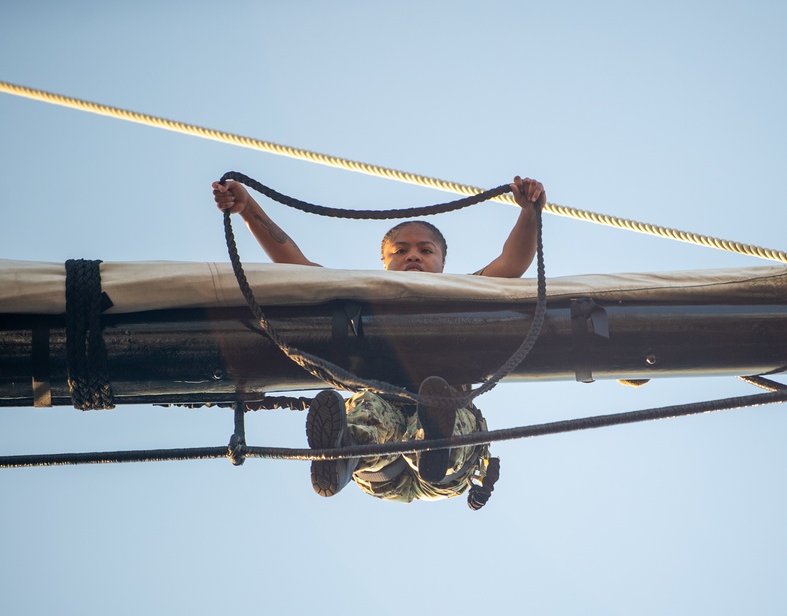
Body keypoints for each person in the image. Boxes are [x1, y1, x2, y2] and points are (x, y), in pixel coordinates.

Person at [212, 176, 545, 506]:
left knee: (446, 413)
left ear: (442, 263)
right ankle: (343, 451)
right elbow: (298, 268)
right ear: (385, 263)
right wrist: (248, 209)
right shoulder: (361, 296)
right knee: (370, 408)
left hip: (445, 465)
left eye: (425, 250)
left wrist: (528, 213)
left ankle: (428, 444)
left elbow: (511, 264)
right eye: (401, 250)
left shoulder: (464, 292)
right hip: (381, 463)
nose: (413, 256)